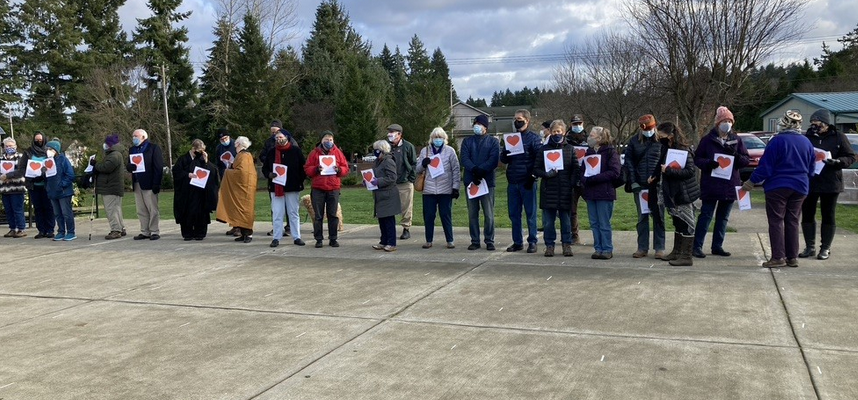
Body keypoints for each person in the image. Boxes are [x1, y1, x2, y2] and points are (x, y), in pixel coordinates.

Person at [742, 110, 815, 268]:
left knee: (776, 221)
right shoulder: (807, 142)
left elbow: (766, 167)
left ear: (784, 122)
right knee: (793, 221)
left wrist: (750, 182)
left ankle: (778, 257)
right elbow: (811, 169)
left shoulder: (777, 141)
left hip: (778, 186)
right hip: (801, 186)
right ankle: (792, 257)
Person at [693, 106, 750, 258]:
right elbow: (697, 158)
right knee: (706, 215)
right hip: (711, 185)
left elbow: (745, 161)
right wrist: (708, 163)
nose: (727, 123)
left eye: (729, 121)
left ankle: (717, 246)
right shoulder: (707, 140)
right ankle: (696, 246)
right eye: (724, 121)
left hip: (729, 185)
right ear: (718, 123)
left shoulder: (737, 140)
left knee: (723, 218)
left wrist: (736, 155)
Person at [800, 108, 856, 260]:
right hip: (811, 181)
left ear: (825, 123)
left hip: (831, 182)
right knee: (807, 214)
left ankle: (825, 247)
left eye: (816, 122)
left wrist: (838, 162)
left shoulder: (839, 137)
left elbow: (850, 157)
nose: (813, 125)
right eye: (811, 123)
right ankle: (809, 246)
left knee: (828, 214)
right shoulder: (807, 137)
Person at [651, 122, 700, 266]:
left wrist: (669, 171)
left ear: (671, 136)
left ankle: (686, 256)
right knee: (677, 222)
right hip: (672, 193)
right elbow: (660, 164)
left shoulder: (683, 150)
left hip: (683, 192)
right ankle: (677, 251)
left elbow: (690, 171)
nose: (659, 138)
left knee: (686, 223)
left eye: (661, 136)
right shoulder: (666, 149)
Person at [533, 120, 579, 257]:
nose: (556, 134)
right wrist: (546, 174)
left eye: (559, 131)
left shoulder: (570, 149)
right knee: (548, 222)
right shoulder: (543, 150)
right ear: (550, 133)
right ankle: (549, 245)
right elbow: (536, 169)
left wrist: (571, 184)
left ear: (563, 132)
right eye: (554, 131)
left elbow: (575, 169)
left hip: (565, 191)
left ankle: (566, 245)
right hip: (549, 190)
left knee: (566, 221)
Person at [499, 109, 542, 253]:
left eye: (519, 118)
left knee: (530, 213)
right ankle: (517, 241)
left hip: (527, 181)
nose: (516, 121)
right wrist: (504, 154)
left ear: (527, 120)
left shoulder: (534, 139)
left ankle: (532, 241)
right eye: (515, 118)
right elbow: (505, 160)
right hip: (513, 180)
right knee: (514, 214)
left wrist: (533, 176)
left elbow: (539, 160)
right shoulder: (511, 138)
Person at [624, 114, 666, 259]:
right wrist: (634, 181)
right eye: (645, 128)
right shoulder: (634, 141)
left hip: (657, 185)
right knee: (642, 218)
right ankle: (642, 247)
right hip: (640, 185)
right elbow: (629, 162)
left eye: (650, 127)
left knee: (659, 217)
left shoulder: (662, 141)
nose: (648, 130)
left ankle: (659, 247)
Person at [415, 127, 460, 249]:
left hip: (445, 189)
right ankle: (428, 240)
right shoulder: (425, 151)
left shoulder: (450, 151)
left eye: (440, 137)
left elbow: (456, 169)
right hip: (429, 190)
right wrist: (423, 164)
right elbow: (418, 169)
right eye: (435, 137)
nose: (437, 139)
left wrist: (455, 187)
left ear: (444, 139)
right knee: (429, 215)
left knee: (446, 215)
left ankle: (450, 240)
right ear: (431, 139)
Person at [581, 126, 621, 260]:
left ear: (599, 138)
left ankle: (607, 249)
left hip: (605, 192)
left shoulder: (610, 152)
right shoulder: (589, 152)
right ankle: (598, 248)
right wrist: (584, 179)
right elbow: (583, 169)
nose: (589, 138)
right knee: (594, 222)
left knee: (604, 223)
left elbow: (615, 172)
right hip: (591, 192)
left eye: (592, 135)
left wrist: (594, 178)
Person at [304, 130, 349, 248]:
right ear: (321, 140)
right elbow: (307, 168)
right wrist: (315, 169)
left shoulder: (338, 153)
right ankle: (318, 239)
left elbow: (345, 168)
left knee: (332, 215)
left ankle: (333, 238)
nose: (328, 142)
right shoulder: (314, 153)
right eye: (326, 139)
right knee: (318, 216)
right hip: (318, 188)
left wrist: (339, 170)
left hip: (333, 188)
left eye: (330, 140)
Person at [461, 115, 500, 251]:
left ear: (485, 127)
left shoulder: (493, 142)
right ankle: (475, 240)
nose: (477, 126)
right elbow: (464, 158)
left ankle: (489, 240)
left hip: (487, 182)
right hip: (471, 182)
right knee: (472, 214)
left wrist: (481, 171)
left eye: (480, 124)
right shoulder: (467, 141)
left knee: (489, 214)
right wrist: (474, 170)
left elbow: (493, 160)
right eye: (475, 123)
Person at [263, 130, 307, 248]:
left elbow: (303, 167)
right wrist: (270, 174)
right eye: (276, 138)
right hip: (276, 187)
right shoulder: (272, 152)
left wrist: (299, 181)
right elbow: (265, 168)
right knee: (277, 213)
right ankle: (276, 237)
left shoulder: (295, 151)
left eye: (281, 137)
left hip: (292, 186)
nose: (279, 139)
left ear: (287, 137)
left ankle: (296, 236)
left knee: (293, 212)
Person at [173, 139, 219, 241]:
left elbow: (212, 172)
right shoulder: (183, 159)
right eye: (199, 150)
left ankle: (200, 233)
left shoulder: (202, 159)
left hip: (199, 193)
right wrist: (187, 175)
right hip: (186, 192)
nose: (200, 153)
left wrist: (206, 161)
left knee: (200, 213)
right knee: (186, 212)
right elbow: (176, 172)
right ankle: (187, 233)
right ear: (193, 149)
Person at [216, 136, 257, 243]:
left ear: (239, 144)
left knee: (245, 210)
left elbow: (242, 173)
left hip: (245, 189)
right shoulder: (241, 155)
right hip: (241, 188)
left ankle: (248, 234)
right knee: (239, 210)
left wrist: (228, 172)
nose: (235, 146)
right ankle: (243, 233)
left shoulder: (245, 156)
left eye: (236, 144)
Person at [126, 129, 164, 240]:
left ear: (143, 137)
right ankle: (145, 230)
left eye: (136, 136)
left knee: (152, 208)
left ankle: (154, 231)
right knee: (141, 209)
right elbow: (130, 163)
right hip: (137, 182)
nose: (134, 138)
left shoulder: (153, 148)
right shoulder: (132, 149)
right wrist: (129, 167)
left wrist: (156, 183)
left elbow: (158, 166)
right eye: (133, 136)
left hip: (149, 182)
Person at [17, 132, 55, 238]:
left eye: (40, 139)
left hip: (46, 184)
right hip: (33, 185)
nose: (39, 141)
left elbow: (52, 166)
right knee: (38, 208)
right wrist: (30, 176)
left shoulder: (48, 152)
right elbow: (22, 167)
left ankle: (50, 229)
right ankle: (41, 230)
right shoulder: (28, 152)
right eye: (36, 140)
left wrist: (44, 175)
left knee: (48, 207)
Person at [92, 134, 127, 240]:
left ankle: (116, 230)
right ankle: (120, 227)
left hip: (110, 187)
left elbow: (107, 167)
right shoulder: (114, 154)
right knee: (116, 209)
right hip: (112, 186)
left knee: (111, 209)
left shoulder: (114, 155)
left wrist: (95, 165)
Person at [369, 140, 401, 252]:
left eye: (376, 149)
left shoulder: (388, 161)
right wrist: (368, 181)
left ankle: (391, 243)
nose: (375, 152)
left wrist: (378, 181)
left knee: (389, 220)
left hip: (388, 195)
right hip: (380, 195)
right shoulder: (378, 161)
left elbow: (392, 178)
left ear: (382, 150)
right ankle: (383, 241)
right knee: (382, 219)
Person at [386, 124, 417, 240]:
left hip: (404, 182)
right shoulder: (386, 146)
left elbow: (413, 163)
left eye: (392, 132)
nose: (390, 134)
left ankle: (406, 228)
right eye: (389, 132)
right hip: (390, 183)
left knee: (406, 206)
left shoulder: (408, 146)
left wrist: (411, 179)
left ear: (399, 134)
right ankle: (389, 229)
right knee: (389, 207)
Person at [44, 140, 76, 241]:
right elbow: (47, 177)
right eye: (47, 149)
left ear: (56, 150)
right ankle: (61, 231)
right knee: (57, 214)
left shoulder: (63, 160)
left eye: (51, 149)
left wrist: (61, 185)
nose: (48, 151)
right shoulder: (47, 161)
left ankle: (71, 232)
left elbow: (70, 175)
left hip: (63, 192)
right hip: (52, 192)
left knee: (66, 213)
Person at [567, 114, 588, 245]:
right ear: (571, 125)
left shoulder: (589, 139)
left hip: (586, 178)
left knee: (593, 207)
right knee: (572, 209)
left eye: (579, 123)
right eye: (575, 124)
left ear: (583, 124)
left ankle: (598, 233)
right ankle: (574, 235)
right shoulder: (566, 140)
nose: (577, 126)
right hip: (571, 177)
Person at [0, 137, 27, 237]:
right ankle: (12, 228)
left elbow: (21, 171)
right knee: (8, 210)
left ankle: (21, 229)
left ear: (15, 146)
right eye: (6, 146)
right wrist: (2, 176)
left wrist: (8, 176)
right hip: (5, 189)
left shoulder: (20, 157)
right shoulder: (1, 158)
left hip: (17, 188)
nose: (8, 148)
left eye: (10, 146)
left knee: (17, 209)